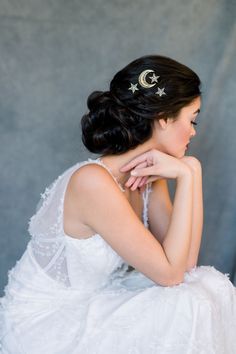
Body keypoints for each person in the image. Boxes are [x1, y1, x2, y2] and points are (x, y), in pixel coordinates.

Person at [0, 55, 235, 354]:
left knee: (207, 287)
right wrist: (185, 174)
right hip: (44, 321)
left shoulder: (149, 178)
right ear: (163, 118)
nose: (194, 132)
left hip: (92, 301)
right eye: (192, 120)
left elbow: (186, 266)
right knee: (186, 302)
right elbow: (171, 274)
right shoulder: (93, 182)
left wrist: (191, 172)